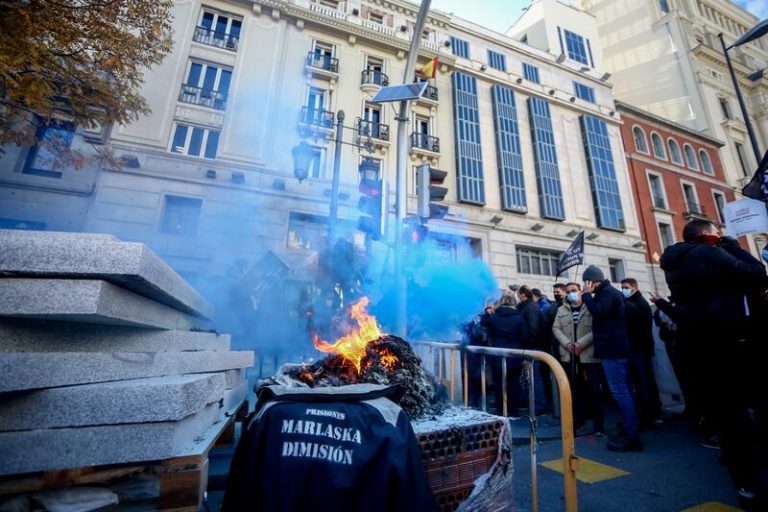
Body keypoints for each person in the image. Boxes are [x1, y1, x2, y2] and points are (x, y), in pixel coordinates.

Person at [661, 219, 768, 505]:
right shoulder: (710, 253)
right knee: (742, 412)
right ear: (707, 236)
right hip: (727, 341)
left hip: (697, 345)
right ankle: (750, 477)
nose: (720, 237)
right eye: (717, 233)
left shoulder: (672, 262)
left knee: (725, 415)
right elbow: (758, 274)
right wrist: (733, 246)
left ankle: (743, 480)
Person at [581, 265, 642, 452]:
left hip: (613, 350)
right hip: (614, 349)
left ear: (592, 281)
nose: (586, 286)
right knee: (623, 391)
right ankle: (629, 429)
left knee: (620, 392)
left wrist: (586, 295)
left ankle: (632, 436)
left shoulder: (607, 293)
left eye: (587, 282)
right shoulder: (608, 293)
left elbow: (597, 311)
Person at [552, 282, 604, 436]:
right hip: (569, 356)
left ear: (581, 291)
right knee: (574, 390)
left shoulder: (591, 306)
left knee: (594, 390)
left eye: (574, 290)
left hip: (588, 356)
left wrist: (581, 343)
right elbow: (556, 328)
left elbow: (598, 328)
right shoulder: (561, 309)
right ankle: (578, 422)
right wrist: (567, 343)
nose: (571, 294)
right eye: (568, 292)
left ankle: (599, 426)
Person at [621, 278, 662, 429]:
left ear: (634, 288)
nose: (623, 289)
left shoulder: (638, 304)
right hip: (638, 348)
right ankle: (650, 412)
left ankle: (649, 414)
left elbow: (639, 329)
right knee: (643, 382)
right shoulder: (634, 303)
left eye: (626, 287)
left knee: (643, 383)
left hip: (639, 349)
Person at [480, 291, 529, 416]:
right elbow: (524, 336)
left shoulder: (494, 317)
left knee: (499, 384)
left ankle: (501, 410)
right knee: (514, 384)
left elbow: (483, 323)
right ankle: (513, 411)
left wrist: (487, 311)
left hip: (497, 354)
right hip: (515, 354)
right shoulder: (519, 317)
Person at [516, 286, 548, 415]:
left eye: (518, 294)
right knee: (528, 377)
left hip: (531, 347)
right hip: (528, 347)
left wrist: (529, 345)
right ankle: (530, 403)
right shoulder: (526, 307)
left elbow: (533, 328)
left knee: (535, 377)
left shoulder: (531, 308)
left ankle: (539, 405)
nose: (517, 296)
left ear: (523, 295)